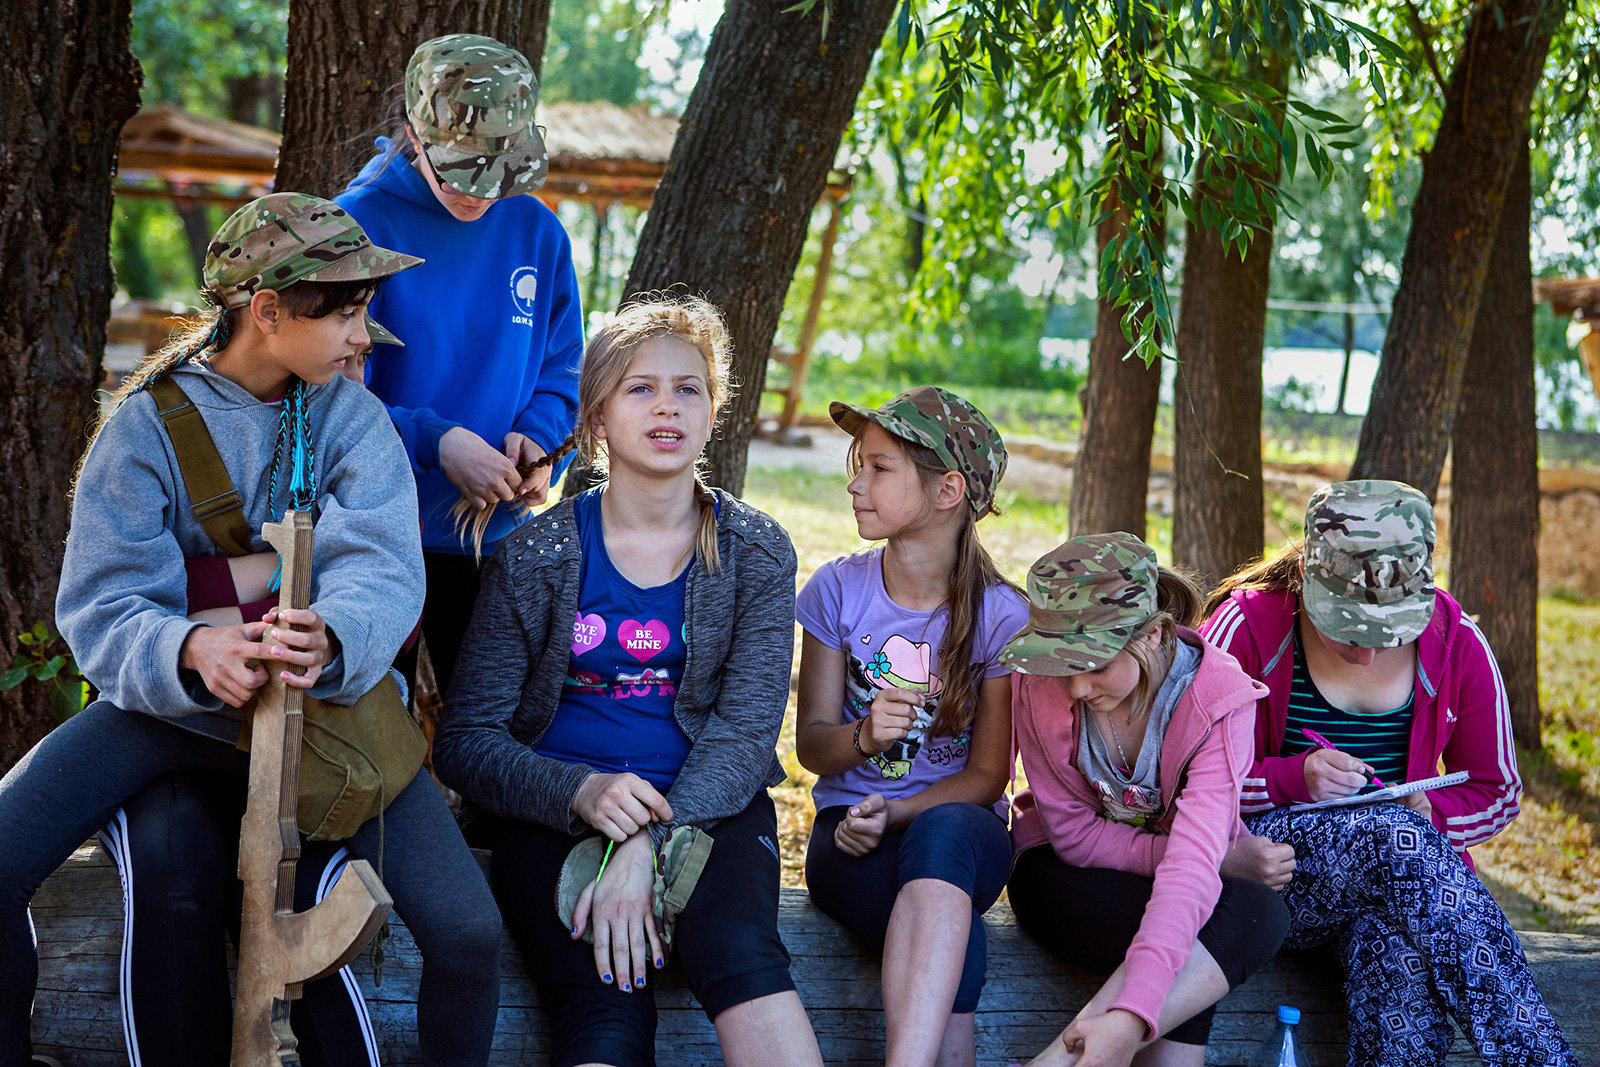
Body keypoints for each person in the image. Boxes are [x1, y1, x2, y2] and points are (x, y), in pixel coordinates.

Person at [0, 193, 502, 1067]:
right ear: (267, 312)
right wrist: (187, 647)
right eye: (344, 312)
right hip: (172, 716)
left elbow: (383, 567)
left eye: (364, 310)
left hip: (331, 725)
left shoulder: (352, 419)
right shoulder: (146, 428)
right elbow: (100, 600)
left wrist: (334, 635)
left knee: (468, 933)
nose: (362, 335)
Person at [433, 296, 823, 1067]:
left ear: (714, 413)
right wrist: (582, 795)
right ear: (597, 419)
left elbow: (746, 735)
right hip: (553, 814)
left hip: (709, 807)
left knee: (743, 955)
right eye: (640, 388)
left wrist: (652, 834)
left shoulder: (756, 552)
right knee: (601, 1000)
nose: (667, 405)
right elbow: (467, 741)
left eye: (689, 388)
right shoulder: (535, 556)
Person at [1200, 479, 1576, 1067]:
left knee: (1397, 964)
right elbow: (1177, 778)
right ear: (1307, 581)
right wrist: (1289, 780)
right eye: (1346, 628)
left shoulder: (1456, 640)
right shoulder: (1244, 629)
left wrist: (1436, 813)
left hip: (1402, 895)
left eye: (1390, 630)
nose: (1367, 653)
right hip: (1265, 880)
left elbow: (1497, 788)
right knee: (1395, 840)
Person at [337, 32, 584, 699]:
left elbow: (562, 367)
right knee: (370, 737)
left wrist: (540, 439)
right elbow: (320, 395)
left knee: (494, 734)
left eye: (499, 173)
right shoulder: (351, 229)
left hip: (493, 543)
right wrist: (436, 440)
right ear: (413, 133)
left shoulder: (537, 231)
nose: (479, 194)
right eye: (459, 170)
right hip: (372, 537)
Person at [793, 387, 1027, 1066]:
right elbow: (812, 745)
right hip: (849, 835)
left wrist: (894, 812)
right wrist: (862, 738)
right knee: (963, 946)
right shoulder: (838, 588)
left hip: (956, 830)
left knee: (946, 832)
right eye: (857, 464)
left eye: (879, 467)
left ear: (948, 488)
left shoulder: (1002, 616)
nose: (854, 483)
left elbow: (985, 777)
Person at [1003, 533, 1290, 1067]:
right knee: (1203, 928)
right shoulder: (1038, 686)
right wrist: (1205, 858)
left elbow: (1190, 873)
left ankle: (1057, 1060)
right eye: (1063, 664)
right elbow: (1073, 837)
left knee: (1258, 913)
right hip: (1060, 874)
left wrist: (1128, 1019)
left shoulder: (1218, 701)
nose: (1077, 688)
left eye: (1095, 664)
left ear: (1154, 635)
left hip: (1172, 882)